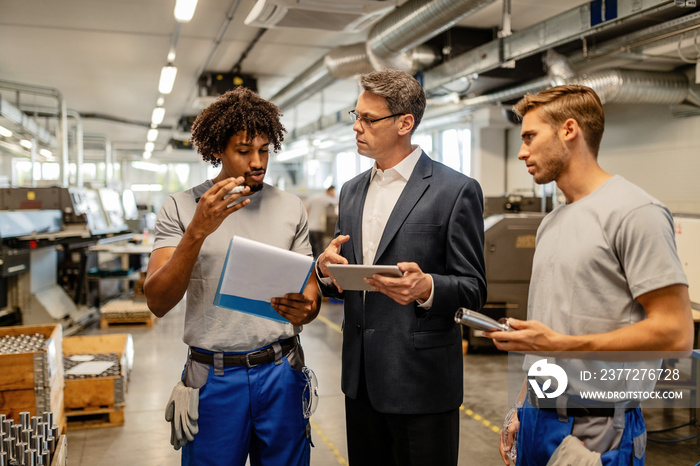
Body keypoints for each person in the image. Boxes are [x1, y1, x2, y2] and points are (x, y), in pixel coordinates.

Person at [487, 85, 693, 465]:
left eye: (530, 137)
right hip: (538, 417)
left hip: (598, 426)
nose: (521, 152)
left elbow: (676, 333)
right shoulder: (551, 222)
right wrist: (522, 406)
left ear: (569, 130)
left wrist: (563, 344)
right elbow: (546, 334)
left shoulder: (636, 212)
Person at [316, 69, 487, 466]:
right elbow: (345, 272)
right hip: (360, 382)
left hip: (421, 381)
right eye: (355, 116)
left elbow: (474, 288)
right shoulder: (351, 190)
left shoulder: (455, 190)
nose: (356, 127)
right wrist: (326, 270)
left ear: (404, 123)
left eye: (368, 119)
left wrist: (428, 287)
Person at [143, 87, 320, 466]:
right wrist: (197, 231)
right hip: (214, 378)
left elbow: (310, 294)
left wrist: (307, 309)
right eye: (244, 150)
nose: (257, 162)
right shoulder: (181, 207)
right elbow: (157, 301)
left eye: (264, 150)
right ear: (217, 151)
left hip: (281, 372)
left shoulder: (290, 207)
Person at [306, 185, 337, 258]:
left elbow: (306, 209)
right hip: (319, 228)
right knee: (319, 250)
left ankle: (311, 267)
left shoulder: (313, 197)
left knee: (311, 250)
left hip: (310, 227)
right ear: (330, 191)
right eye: (333, 192)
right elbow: (337, 202)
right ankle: (317, 267)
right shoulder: (326, 199)